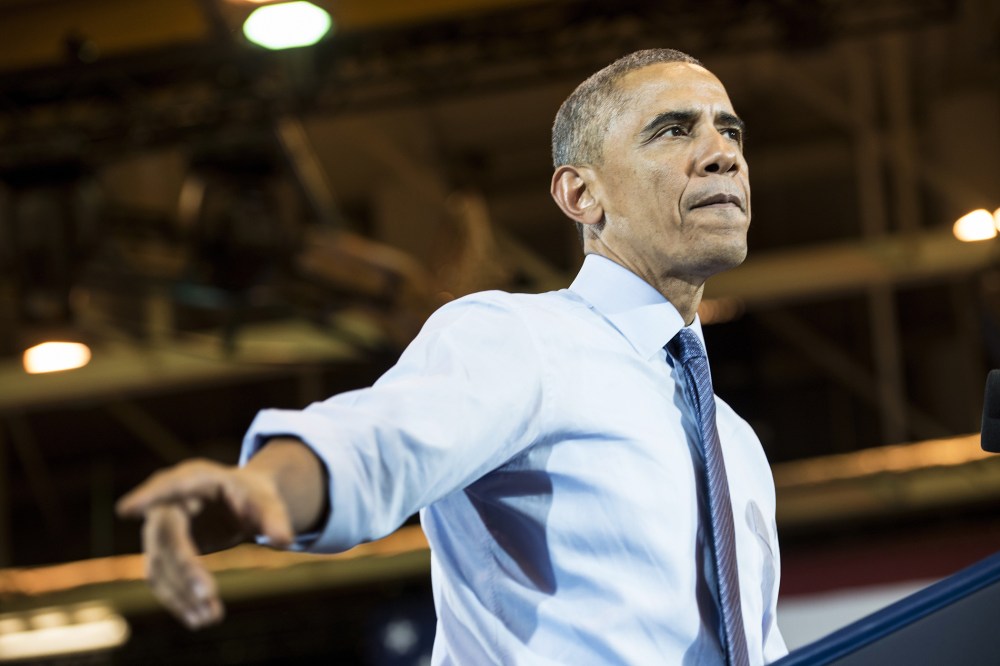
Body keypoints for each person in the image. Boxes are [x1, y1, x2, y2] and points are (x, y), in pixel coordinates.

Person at [118, 48, 788, 665]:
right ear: (581, 195)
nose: (721, 153)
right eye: (674, 130)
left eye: (731, 132)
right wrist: (262, 485)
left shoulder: (736, 443)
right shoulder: (524, 341)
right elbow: (376, 443)